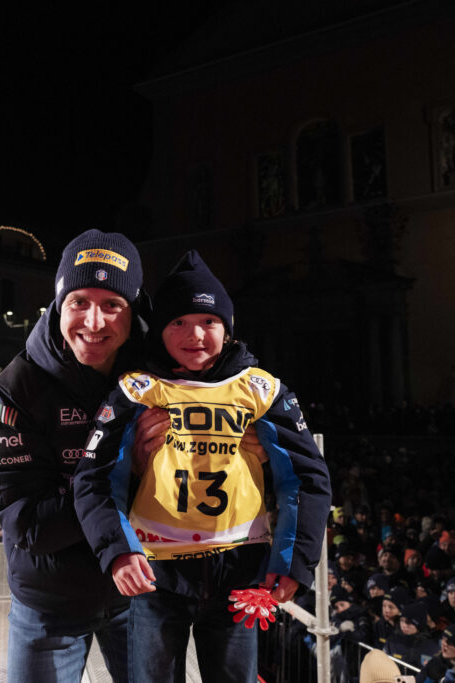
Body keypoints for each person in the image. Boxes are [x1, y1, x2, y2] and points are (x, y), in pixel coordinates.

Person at [72, 249, 332, 682]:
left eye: (209, 321)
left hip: (240, 568)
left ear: (228, 329)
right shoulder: (137, 389)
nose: (195, 334)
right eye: (178, 321)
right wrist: (117, 551)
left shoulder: (262, 389)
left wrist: (294, 563)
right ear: (160, 329)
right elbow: (94, 478)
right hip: (155, 572)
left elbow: (307, 479)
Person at [0, 229, 147, 682]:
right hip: (50, 604)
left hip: (140, 594)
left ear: (134, 311)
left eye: (112, 304)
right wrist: (128, 473)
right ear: (58, 305)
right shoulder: (15, 390)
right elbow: (28, 526)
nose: (94, 321)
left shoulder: (158, 376)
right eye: (79, 302)